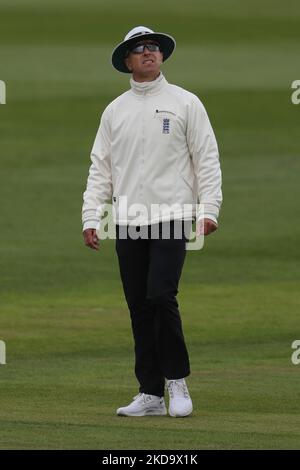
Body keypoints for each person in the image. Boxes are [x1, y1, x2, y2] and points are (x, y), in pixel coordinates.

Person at [82, 26, 222, 418]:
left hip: (172, 215)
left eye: (154, 47)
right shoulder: (115, 110)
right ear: (127, 60)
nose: (149, 52)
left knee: (161, 295)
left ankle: (176, 380)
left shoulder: (185, 103)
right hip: (127, 219)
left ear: (161, 56)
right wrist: (91, 216)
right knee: (138, 306)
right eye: (139, 48)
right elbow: (101, 169)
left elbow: (206, 158)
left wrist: (209, 209)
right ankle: (150, 393)